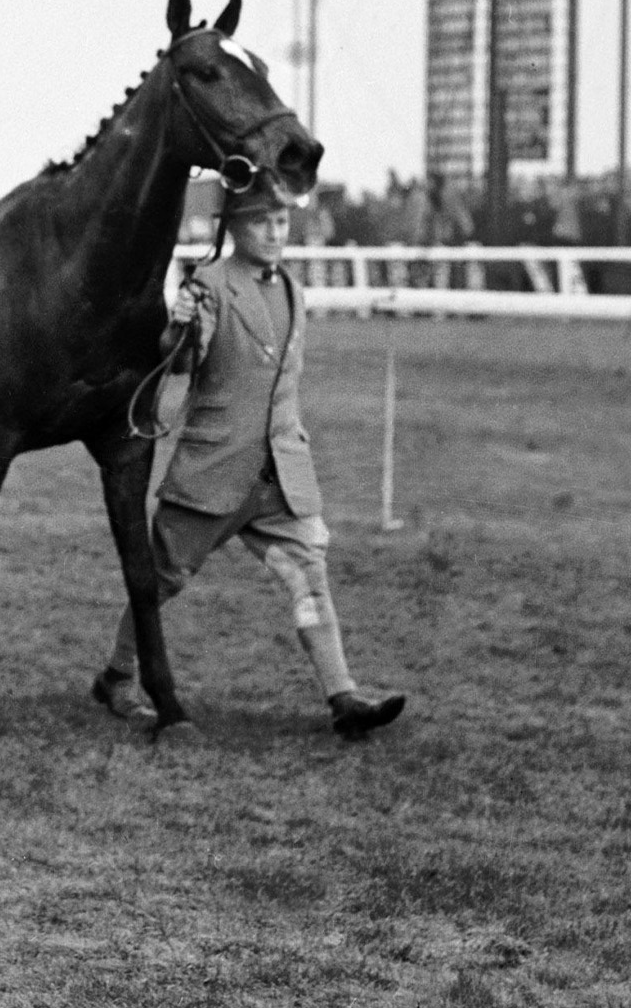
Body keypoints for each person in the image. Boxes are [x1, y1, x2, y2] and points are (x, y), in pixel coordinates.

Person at [91, 183, 406, 739]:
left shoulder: (290, 287)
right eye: (264, 222)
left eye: (283, 222)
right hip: (212, 474)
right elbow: (184, 360)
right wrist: (182, 323)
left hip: (281, 474)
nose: (277, 233)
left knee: (311, 577)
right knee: (160, 581)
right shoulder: (209, 285)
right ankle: (117, 677)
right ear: (235, 226)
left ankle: (343, 697)